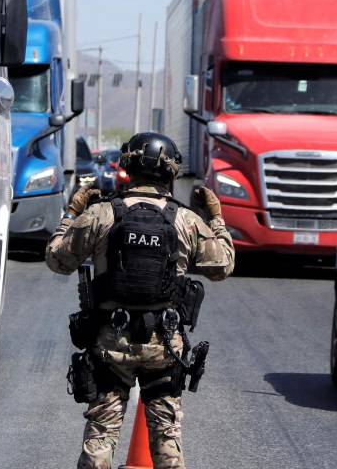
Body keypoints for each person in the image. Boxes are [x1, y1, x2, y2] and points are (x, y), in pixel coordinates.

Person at [46, 132, 234, 469]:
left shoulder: (102, 213)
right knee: (167, 436)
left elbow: (58, 260)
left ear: (127, 166)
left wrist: (71, 213)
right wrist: (216, 217)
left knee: (101, 434)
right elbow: (222, 266)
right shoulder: (186, 219)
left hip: (111, 342)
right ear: (171, 172)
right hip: (164, 344)